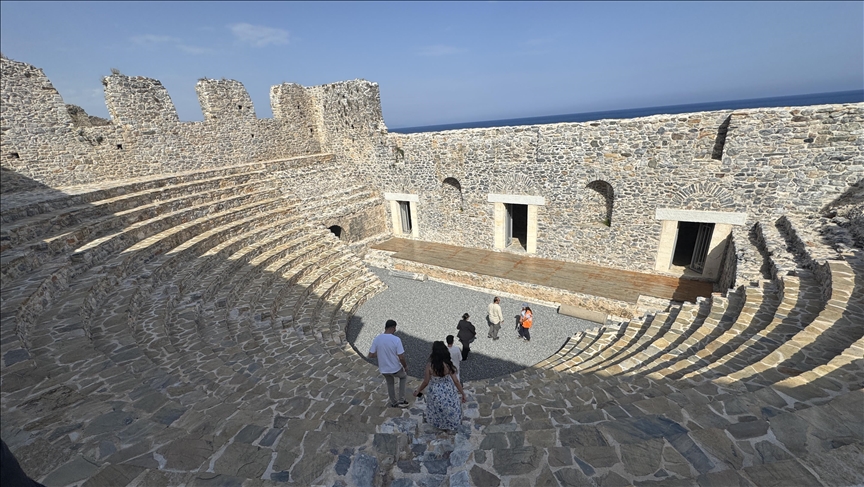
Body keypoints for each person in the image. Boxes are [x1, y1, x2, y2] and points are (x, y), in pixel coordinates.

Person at [413, 341, 467, 431]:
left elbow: (426, 381)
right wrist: (463, 394)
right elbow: (456, 381)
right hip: (448, 389)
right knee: (450, 406)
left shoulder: (430, 366)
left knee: (436, 408)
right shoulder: (448, 365)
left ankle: (438, 423)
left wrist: (418, 390)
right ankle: (450, 423)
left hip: (434, 390)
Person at [368, 319, 409, 408]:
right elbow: (401, 356)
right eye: (395, 328)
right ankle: (401, 400)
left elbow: (370, 355)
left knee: (390, 383)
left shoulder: (377, 338)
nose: (395, 330)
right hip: (395, 368)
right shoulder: (396, 340)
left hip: (384, 369)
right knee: (403, 377)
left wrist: (380, 353)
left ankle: (393, 402)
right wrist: (405, 366)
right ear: (393, 327)